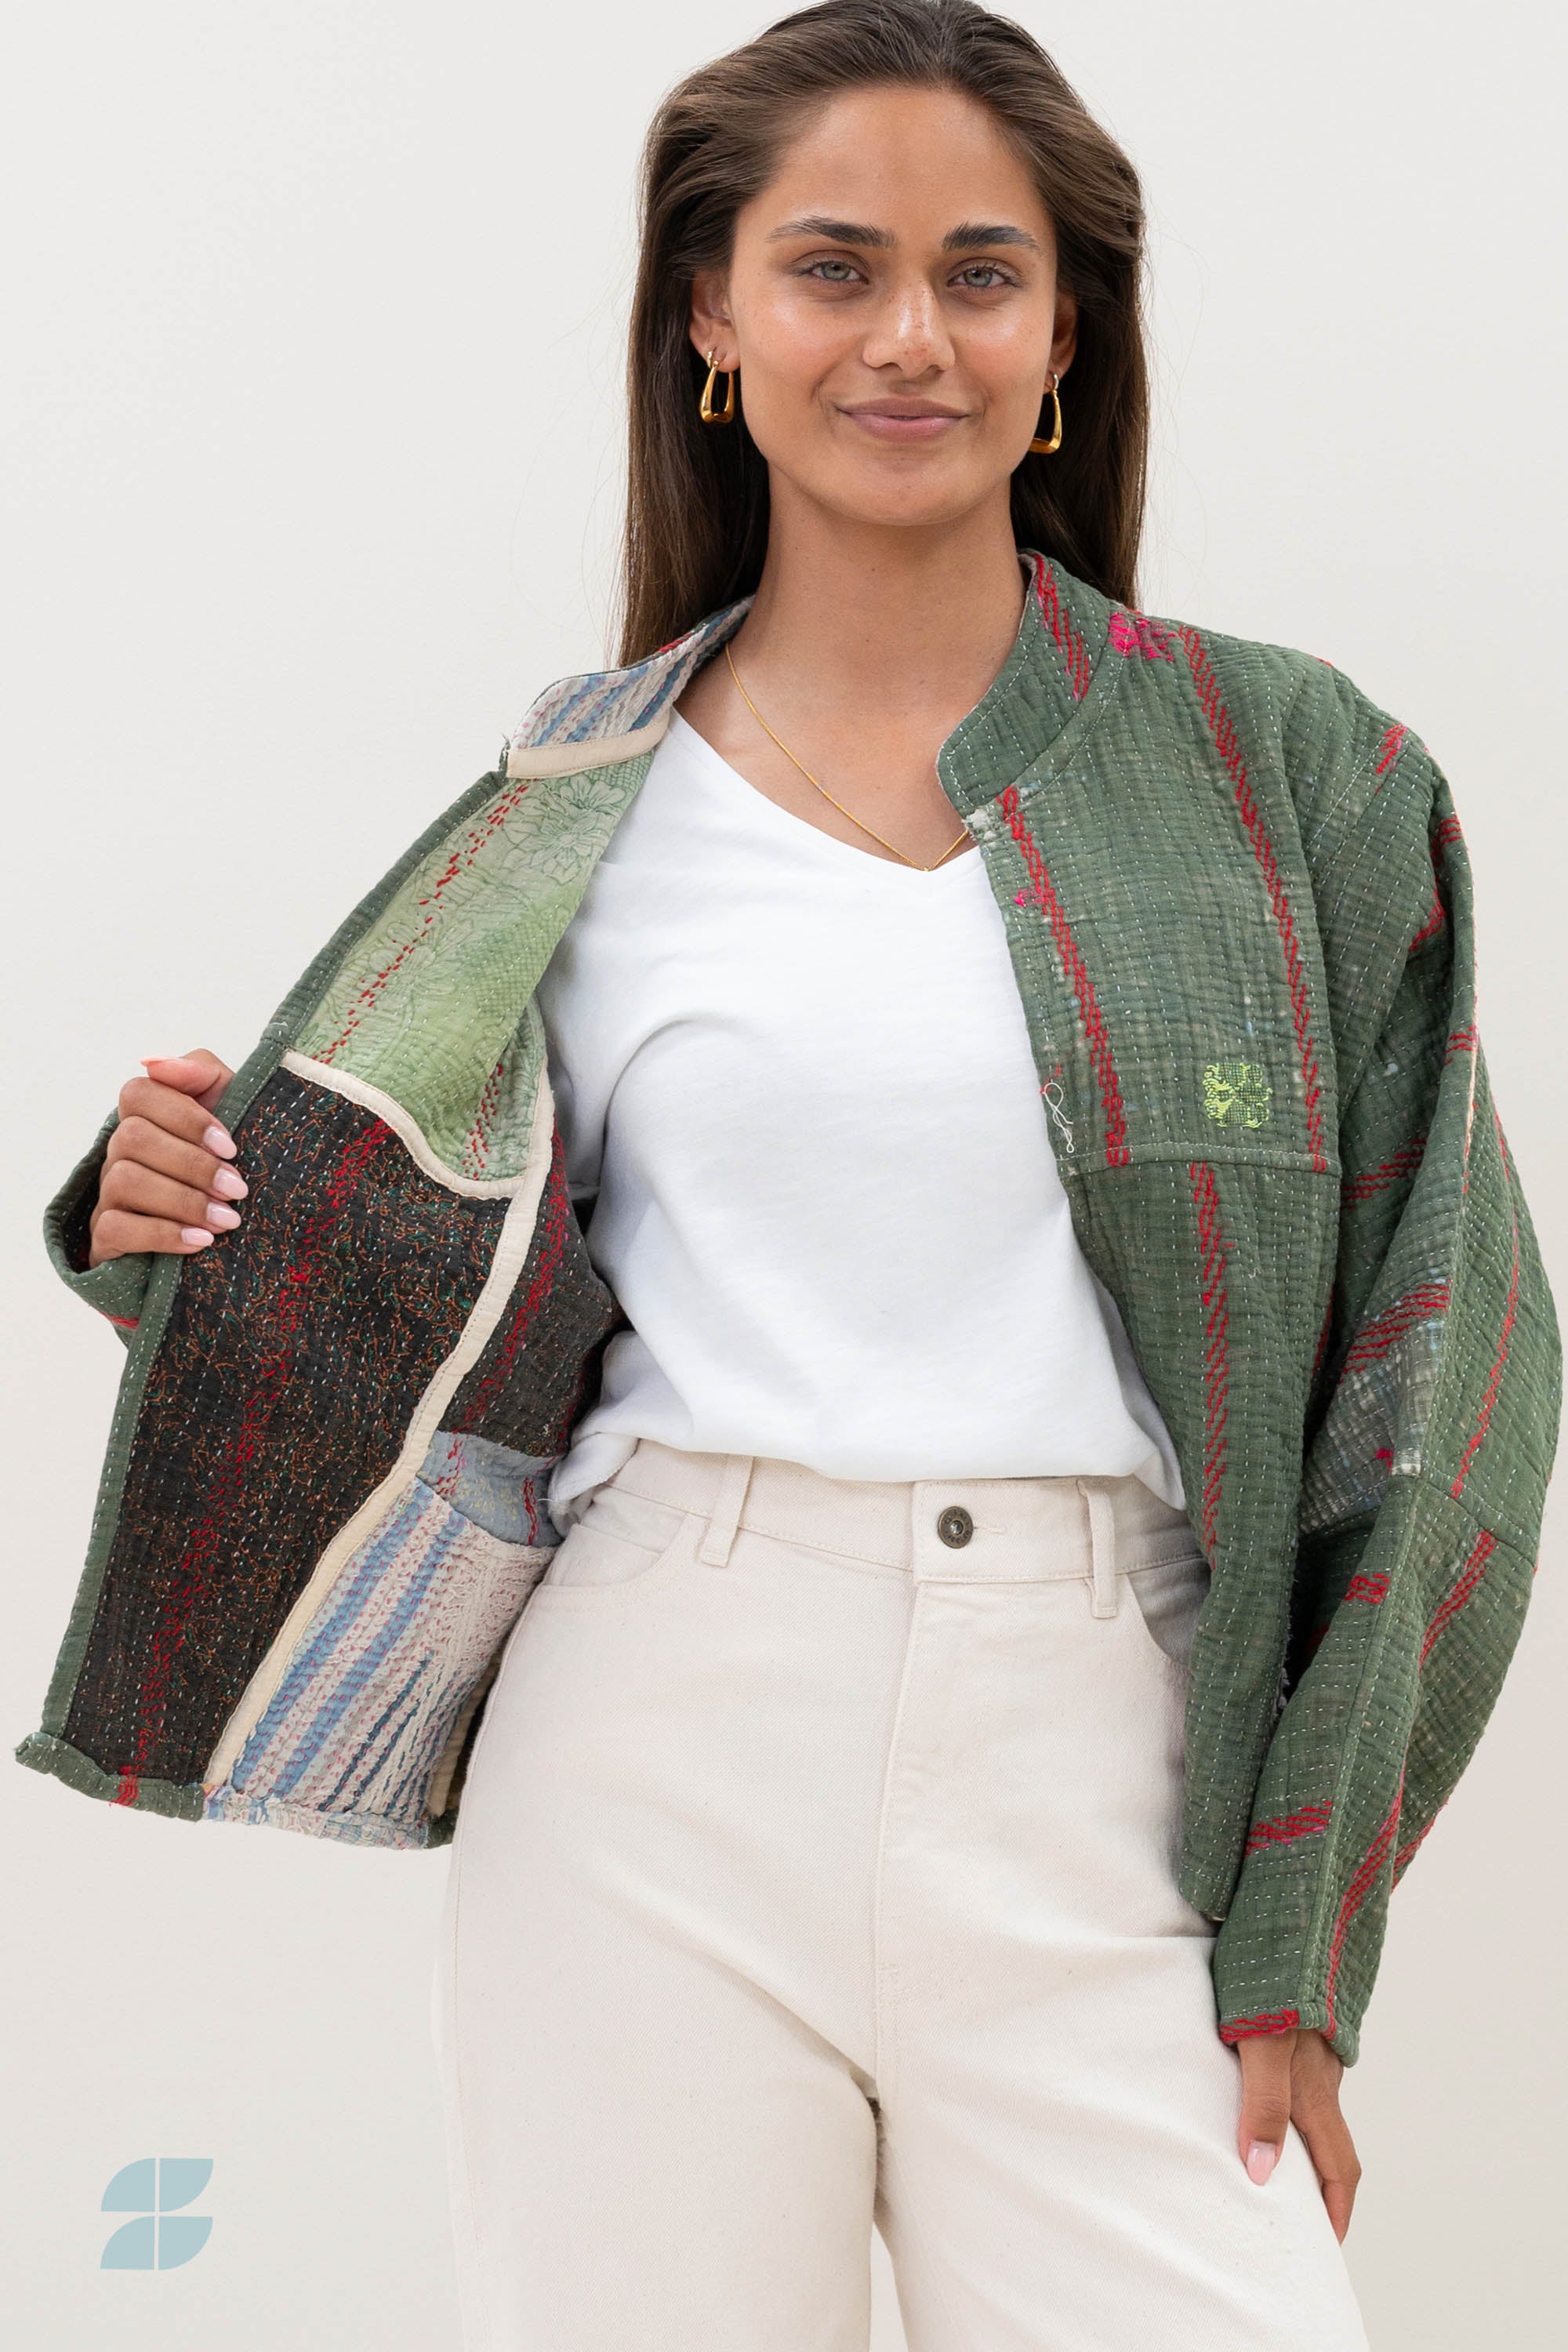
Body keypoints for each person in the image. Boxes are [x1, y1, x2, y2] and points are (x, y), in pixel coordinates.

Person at [20, 4, 1559, 2347]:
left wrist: (1304, 1923)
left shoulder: (1293, 776)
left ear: (1067, 338)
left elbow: (1448, 1368)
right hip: (655, 1729)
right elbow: (367, 1242)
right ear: (714, 323)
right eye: (834, 267)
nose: (910, 336)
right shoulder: (572, 799)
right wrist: (157, 1202)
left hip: (1115, 1744)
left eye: (981, 273)